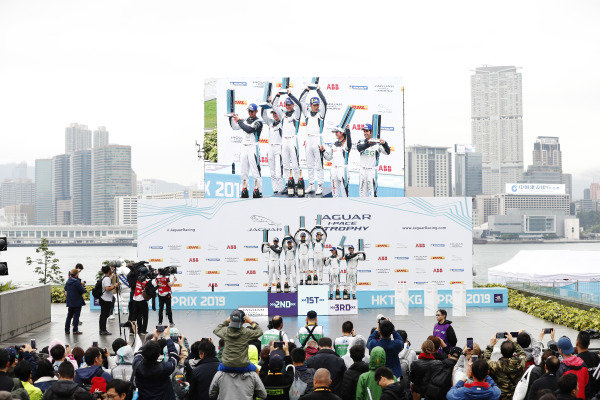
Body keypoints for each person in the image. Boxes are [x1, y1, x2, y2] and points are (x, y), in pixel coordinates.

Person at [132, 326, 181, 400]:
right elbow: (174, 356)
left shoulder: (136, 365)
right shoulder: (165, 368)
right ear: (158, 355)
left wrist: (153, 338)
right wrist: (167, 337)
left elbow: (139, 352)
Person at [229, 103, 264, 198]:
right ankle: (244, 189)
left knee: (255, 170)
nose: (250, 112)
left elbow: (249, 129)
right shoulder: (245, 120)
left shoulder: (259, 122)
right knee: (244, 171)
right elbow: (234, 127)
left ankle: (258, 190)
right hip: (244, 147)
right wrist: (231, 117)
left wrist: (239, 121)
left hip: (253, 147)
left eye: (252, 111)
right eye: (249, 111)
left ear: (256, 111)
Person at [299, 85, 327, 195]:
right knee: (309, 164)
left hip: (317, 140)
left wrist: (318, 90)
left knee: (319, 165)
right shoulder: (306, 114)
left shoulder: (321, 115)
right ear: (310, 105)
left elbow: (325, 103)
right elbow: (301, 101)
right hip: (308, 140)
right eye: (314, 105)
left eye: (317, 105)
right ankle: (311, 184)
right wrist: (306, 90)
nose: (316, 107)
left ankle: (320, 185)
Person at [483, 332, 527, 400]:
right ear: (513, 352)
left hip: (500, 396)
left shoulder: (495, 365)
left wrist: (491, 344)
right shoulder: (520, 364)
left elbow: (486, 359)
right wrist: (513, 341)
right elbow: (522, 354)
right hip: (515, 396)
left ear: (501, 352)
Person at [273, 89, 302, 188]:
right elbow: (275, 106)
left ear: (292, 105)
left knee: (295, 164)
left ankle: (298, 183)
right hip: (284, 141)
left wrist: (290, 94)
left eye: (290, 104)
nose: (288, 106)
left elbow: (299, 105)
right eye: (287, 105)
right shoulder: (283, 114)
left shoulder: (296, 114)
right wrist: (277, 95)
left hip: (293, 140)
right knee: (285, 164)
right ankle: (287, 184)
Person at [356, 124, 390, 197]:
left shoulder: (377, 143)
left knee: (372, 193)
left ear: (372, 132)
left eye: (367, 131)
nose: (365, 133)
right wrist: (369, 143)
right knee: (362, 193)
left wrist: (384, 143)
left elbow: (387, 152)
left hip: (371, 171)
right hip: (362, 170)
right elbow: (359, 148)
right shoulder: (361, 141)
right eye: (364, 131)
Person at [261, 99, 284, 194]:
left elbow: (280, 114)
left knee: (278, 172)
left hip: (278, 148)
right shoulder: (270, 123)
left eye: (276, 114)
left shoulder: (282, 123)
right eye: (273, 114)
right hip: (270, 147)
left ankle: (281, 189)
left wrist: (273, 103)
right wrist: (265, 104)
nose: (275, 116)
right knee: (272, 172)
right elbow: (263, 115)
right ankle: (275, 190)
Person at [322, 125, 351, 198]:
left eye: (337, 132)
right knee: (334, 192)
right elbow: (328, 158)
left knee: (344, 192)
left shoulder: (346, 144)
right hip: (334, 169)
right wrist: (323, 151)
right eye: (335, 132)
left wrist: (348, 131)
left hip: (342, 169)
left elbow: (349, 144)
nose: (335, 134)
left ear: (341, 133)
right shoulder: (334, 144)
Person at [575, 330, 599, 399]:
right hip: (596, 395)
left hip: (584, 395)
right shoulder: (596, 356)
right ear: (589, 343)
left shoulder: (577, 361)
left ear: (577, 343)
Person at [65, 268, 86, 335]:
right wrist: (84, 289)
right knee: (76, 316)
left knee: (69, 316)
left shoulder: (68, 281)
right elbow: (82, 290)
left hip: (70, 301)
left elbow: (65, 288)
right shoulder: (77, 282)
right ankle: (75, 330)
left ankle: (67, 330)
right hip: (77, 301)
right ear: (76, 274)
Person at [99, 265, 119, 336]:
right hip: (105, 299)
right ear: (108, 271)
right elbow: (107, 288)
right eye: (110, 269)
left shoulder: (105, 277)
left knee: (103, 315)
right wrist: (114, 286)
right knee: (104, 315)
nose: (111, 270)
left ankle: (102, 329)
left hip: (104, 298)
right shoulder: (107, 279)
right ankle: (103, 330)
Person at [130, 267, 150, 334]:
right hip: (142, 300)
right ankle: (143, 331)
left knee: (136, 315)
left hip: (135, 299)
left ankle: (133, 330)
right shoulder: (146, 281)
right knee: (145, 316)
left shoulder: (136, 279)